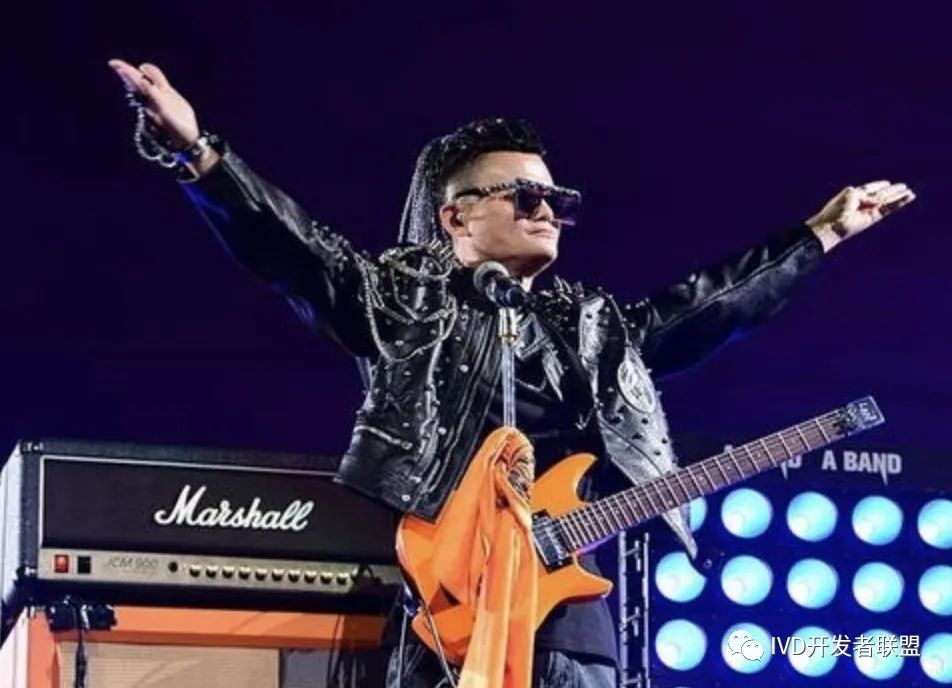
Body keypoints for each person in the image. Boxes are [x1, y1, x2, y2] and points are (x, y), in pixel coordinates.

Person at [108, 58, 915, 688]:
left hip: (569, 627)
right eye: (524, 195)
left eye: (556, 199)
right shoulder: (405, 301)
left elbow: (704, 307)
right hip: (450, 619)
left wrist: (818, 236)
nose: (547, 210)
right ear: (455, 215)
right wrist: (198, 151)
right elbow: (295, 251)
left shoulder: (589, 325)